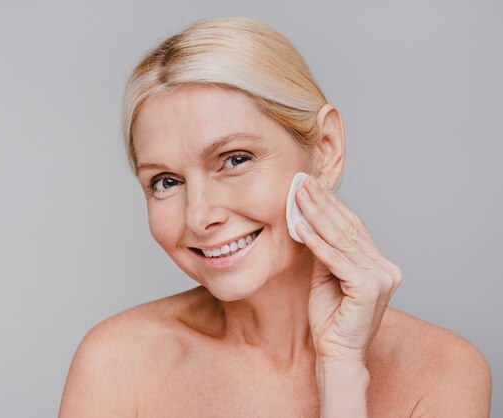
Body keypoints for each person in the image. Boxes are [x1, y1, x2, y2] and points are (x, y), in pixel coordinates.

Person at [59, 17, 491, 417]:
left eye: (235, 159)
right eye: (166, 182)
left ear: (325, 149)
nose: (199, 216)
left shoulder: (442, 372)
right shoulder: (118, 361)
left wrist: (341, 370)